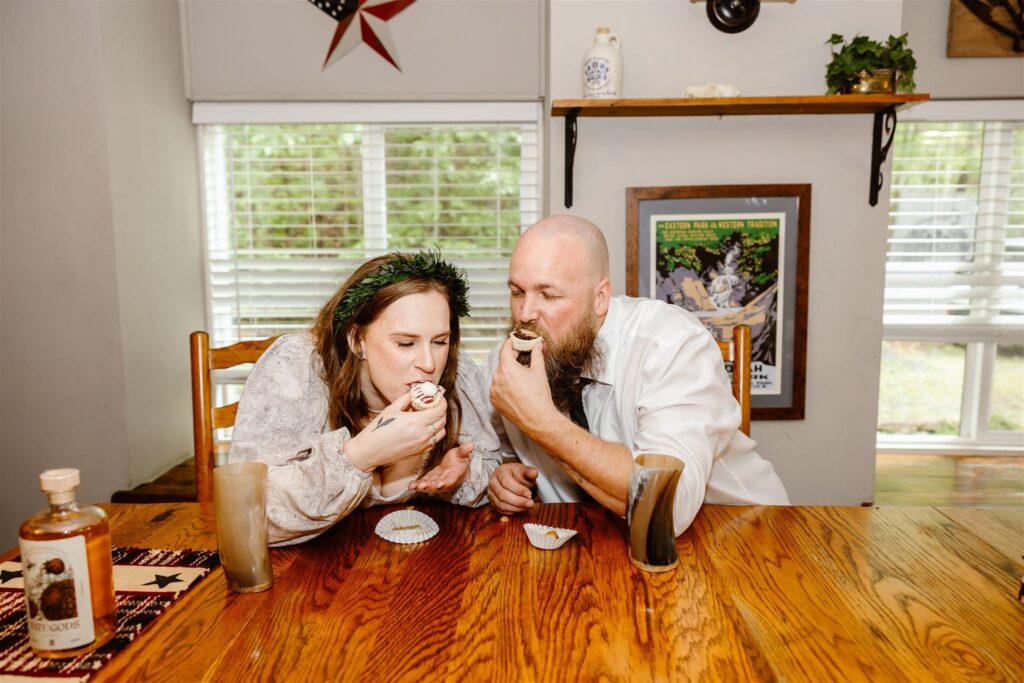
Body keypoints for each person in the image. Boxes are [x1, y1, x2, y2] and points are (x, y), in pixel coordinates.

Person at [483, 215, 789, 536]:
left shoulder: (672, 344)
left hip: (742, 531)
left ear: (599, 298)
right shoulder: (505, 365)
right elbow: (500, 454)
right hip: (598, 538)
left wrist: (542, 421)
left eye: (548, 295)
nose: (525, 313)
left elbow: (665, 508)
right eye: (517, 292)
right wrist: (505, 476)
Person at [228, 251, 502, 546]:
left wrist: (461, 477)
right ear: (357, 339)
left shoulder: (457, 373)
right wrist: (361, 455)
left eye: (439, 341)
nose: (429, 362)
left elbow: (491, 466)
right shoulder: (298, 367)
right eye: (406, 343)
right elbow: (245, 516)